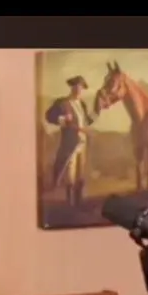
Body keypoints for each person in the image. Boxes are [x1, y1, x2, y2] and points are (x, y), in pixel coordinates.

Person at [44, 75, 96, 207]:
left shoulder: (82, 104)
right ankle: (70, 203)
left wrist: (98, 110)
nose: (78, 90)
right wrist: (62, 119)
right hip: (70, 143)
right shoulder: (63, 103)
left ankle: (79, 202)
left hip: (82, 143)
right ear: (72, 87)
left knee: (80, 173)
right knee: (70, 174)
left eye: (81, 87)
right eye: (76, 87)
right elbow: (49, 116)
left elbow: (87, 121)